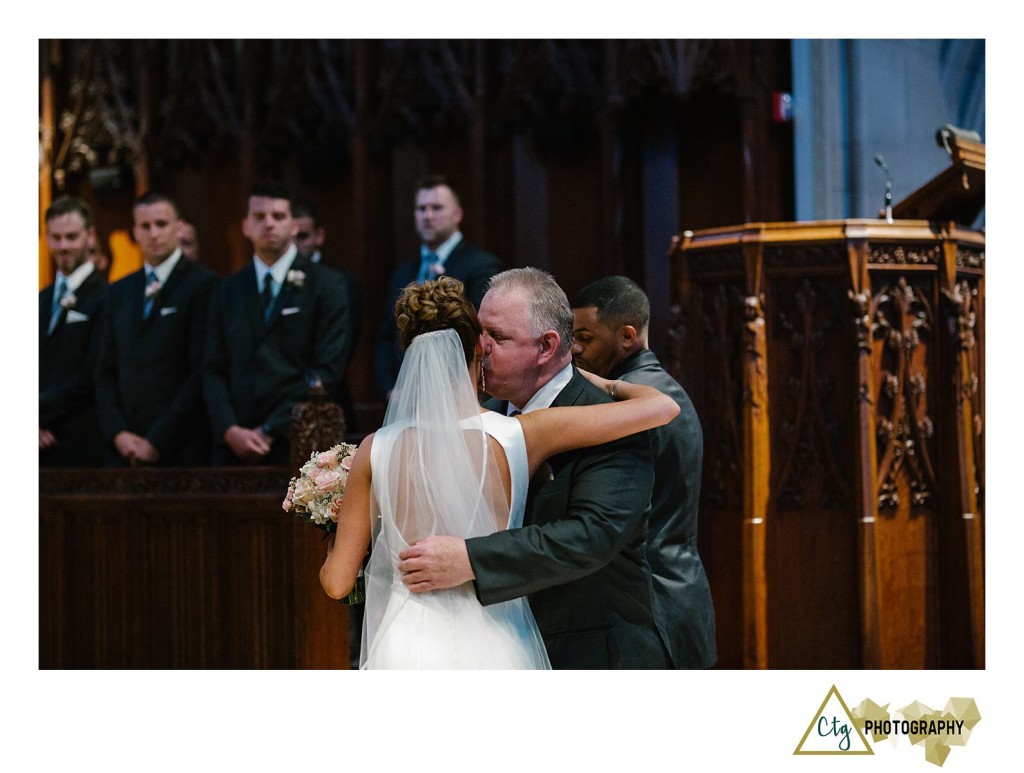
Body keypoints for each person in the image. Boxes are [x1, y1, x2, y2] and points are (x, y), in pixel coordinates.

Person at [320, 276, 678, 668]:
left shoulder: (375, 449)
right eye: (482, 335)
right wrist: (615, 387)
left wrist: (346, 535)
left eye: (497, 336)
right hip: (497, 638)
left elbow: (337, 581)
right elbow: (662, 406)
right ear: (471, 348)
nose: (487, 347)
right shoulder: (519, 433)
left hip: (409, 643)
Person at [572, 275, 717, 669]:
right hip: (681, 597)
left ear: (627, 336)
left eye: (585, 336)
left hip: (650, 611)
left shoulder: (632, 406)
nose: (574, 348)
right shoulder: (661, 388)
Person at [202, 182, 354, 466]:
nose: (269, 224)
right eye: (259, 217)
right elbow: (212, 367)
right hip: (234, 444)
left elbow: (326, 369)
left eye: (278, 216)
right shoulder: (227, 289)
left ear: (294, 225)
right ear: (246, 226)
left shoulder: (327, 285)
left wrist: (271, 428)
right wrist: (229, 428)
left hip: (298, 439)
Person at [94, 193, 218, 466]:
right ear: (135, 231)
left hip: (181, 446)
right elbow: (104, 369)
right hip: (124, 446)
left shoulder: (204, 286)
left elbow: (201, 371)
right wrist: (118, 432)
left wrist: (157, 440)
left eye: (161, 224)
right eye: (145, 226)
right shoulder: (119, 290)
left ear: (178, 227)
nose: (154, 234)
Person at [374, 174, 501, 398]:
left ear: (457, 214)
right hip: (405, 395)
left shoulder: (481, 266)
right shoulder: (402, 273)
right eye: (421, 209)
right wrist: (391, 388)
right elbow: (387, 336)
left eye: (436, 207)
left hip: (457, 393)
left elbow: (478, 331)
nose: (428, 216)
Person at [40, 196, 108, 467]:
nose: (63, 246)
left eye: (71, 237)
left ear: (90, 236)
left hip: (81, 441)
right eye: (55, 237)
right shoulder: (39, 301)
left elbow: (92, 373)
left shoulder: (108, 298)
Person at [291, 197, 362, 432]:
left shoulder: (339, 283)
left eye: (302, 236)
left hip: (328, 402)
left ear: (318, 236)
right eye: (291, 236)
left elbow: (342, 348)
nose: (295, 245)